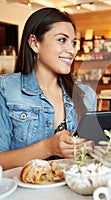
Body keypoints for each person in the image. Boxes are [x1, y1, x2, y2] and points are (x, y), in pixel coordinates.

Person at [0, 8, 97, 170]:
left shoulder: (86, 94)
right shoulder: (5, 89)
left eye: (73, 42)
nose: (71, 50)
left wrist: (105, 148)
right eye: (61, 40)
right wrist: (47, 147)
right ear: (34, 43)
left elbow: (88, 157)